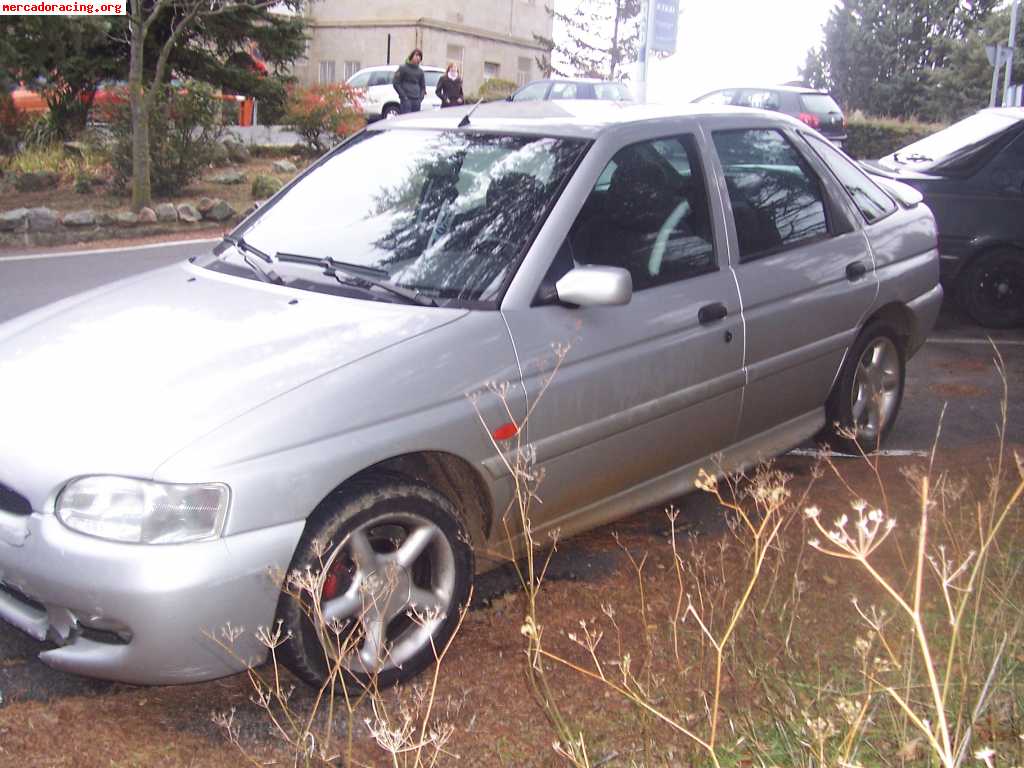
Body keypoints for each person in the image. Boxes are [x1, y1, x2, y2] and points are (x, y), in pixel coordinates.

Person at [392, 48, 427, 114]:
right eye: (416, 55)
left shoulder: (420, 71)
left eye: (420, 56)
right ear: (411, 56)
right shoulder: (403, 68)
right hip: (406, 99)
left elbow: (423, 87)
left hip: (416, 100)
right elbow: (396, 83)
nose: (418, 58)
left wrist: (420, 99)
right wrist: (403, 96)